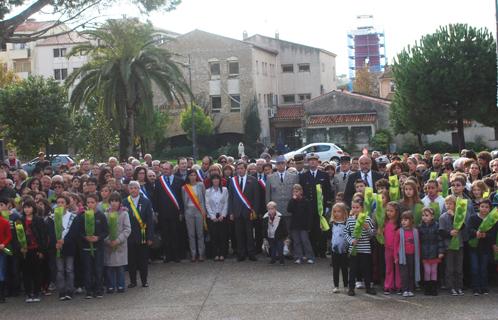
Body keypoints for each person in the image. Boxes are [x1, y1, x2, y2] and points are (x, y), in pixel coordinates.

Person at [298, 153, 331, 258]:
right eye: (310, 160)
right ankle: (313, 251)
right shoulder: (303, 176)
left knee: (321, 230)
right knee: (311, 230)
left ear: (318, 162)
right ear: (308, 162)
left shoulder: (324, 175)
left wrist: (326, 206)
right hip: (308, 208)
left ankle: (322, 251)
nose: (312, 162)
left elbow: (327, 192)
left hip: (320, 208)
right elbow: (302, 193)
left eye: (314, 160)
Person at [77, 193, 108, 299]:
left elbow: (105, 231)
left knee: (98, 268)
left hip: (98, 247)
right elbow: (79, 232)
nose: (90, 204)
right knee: (88, 269)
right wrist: (85, 237)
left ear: (96, 203)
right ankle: (89, 290)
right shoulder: (82, 216)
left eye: (92, 202)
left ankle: (99, 289)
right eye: (88, 202)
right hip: (86, 248)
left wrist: (98, 238)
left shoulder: (101, 215)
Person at [228, 162, 260, 262]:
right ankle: (241, 254)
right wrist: (231, 212)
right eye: (238, 169)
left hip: (249, 212)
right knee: (239, 234)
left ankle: (251, 253)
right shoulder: (233, 181)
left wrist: (255, 211)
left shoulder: (253, 180)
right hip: (237, 212)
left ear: (246, 169)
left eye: (241, 168)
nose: (239, 170)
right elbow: (230, 197)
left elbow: (256, 197)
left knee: (250, 234)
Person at [124, 181, 154, 288]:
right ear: (128, 189)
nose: (133, 190)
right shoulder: (125, 202)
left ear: (139, 189)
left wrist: (150, 236)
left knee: (143, 260)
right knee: (131, 260)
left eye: (135, 188)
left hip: (143, 235)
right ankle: (133, 281)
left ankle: (144, 280)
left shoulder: (146, 202)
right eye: (131, 188)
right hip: (130, 236)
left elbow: (150, 221)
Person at [344, 197, 376, 296]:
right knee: (353, 269)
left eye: (357, 207)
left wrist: (367, 228)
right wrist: (351, 241)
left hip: (365, 249)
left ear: (362, 208)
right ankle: (351, 288)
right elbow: (346, 233)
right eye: (353, 207)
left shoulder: (367, 219)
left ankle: (368, 287)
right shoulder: (349, 220)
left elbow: (372, 234)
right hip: (354, 249)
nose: (355, 209)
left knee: (366, 269)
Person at [153, 162, 183, 263]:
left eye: (167, 169)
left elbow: (182, 198)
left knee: (175, 234)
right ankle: (168, 255)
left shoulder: (179, 180)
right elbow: (155, 197)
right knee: (166, 235)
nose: (165, 171)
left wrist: (181, 212)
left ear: (171, 169)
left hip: (175, 213)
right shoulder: (158, 181)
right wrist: (156, 212)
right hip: (163, 213)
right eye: (163, 169)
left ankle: (176, 255)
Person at [19, 199, 47, 303]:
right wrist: (20, 247)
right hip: (25, 250)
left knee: (37, 272)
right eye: (25, 207)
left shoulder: (38, 220)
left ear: (33, 208)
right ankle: (28, 293)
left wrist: (41, 250)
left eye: (29, 207)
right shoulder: (20, 220)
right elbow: (17, 236)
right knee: (26, 272)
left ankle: (36, 292)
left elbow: (43, 236)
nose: (27, 209)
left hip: (36, 249)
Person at [468, 199, 496, 295]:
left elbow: (493, 234)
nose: (484, 209)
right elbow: (469, 229)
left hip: (485, 248)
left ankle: (484, 287)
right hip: (474, 247)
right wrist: (476, 233)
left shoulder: (492, 220)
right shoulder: (473, 218)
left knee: (483, 268)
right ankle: (475, 287)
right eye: (482, 206)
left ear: (489, 209)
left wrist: (486, 235)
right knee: (475, 268)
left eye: (487, 207)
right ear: (479, 207)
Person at [104, 192, 131, 294]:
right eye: (112, 201)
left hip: (120, 244)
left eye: (116, 201)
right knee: (109, 267)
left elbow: (127, 229)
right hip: (109, 244)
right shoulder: (105, 214)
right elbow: (103, 230)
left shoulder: (124, 214)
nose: (114, 203)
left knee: (120, 267)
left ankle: (121, 285)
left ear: (120, 202)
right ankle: (110, 286)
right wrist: (108, 240)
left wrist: (118, 240)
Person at [265, 155, 299, 237]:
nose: (280, 165)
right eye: (279, 163)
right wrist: (269, 209)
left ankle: (289, 248)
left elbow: (296, 194)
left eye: (282, 163)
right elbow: (268, 195)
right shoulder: (270, 177)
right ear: (276, 165)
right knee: (276, 232)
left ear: (286, 164)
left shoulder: (294, 177)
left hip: (289, 209)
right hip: (275, 210)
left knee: (289, 232)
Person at [439, 195, 465, 296]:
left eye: (451, 204)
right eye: (447, 204)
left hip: (459, 245)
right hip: (448, 246)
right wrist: (449, 233)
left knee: (459, 267)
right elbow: (441, 232)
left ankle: (459, 286)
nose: (449, 206)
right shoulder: (442, 217)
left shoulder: (459, 216)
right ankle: (451, 287)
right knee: (450, 268)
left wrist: (455, 216)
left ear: (455, 205)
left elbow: (463, 226)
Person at [54, 195, 78, 301]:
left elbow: (74, 232)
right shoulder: (52, 217)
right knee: (59, 270)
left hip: (69, 246)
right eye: (58, 202)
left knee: (69, 269)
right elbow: (50, 232)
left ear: (67, 205)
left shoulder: (72, 217)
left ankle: (70, 290)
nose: (60, 204)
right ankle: (61, 291)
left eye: (62, 202)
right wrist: (57, 242)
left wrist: (64, 240)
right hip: (57, 246)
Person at [181, 170, 207, 262]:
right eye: (191, 175)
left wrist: (204, 211)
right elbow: (184, 202)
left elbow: (204, 198)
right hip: (189, 212)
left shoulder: (201, 185)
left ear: (196, 176)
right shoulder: (184, 188)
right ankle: (193, 254)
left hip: (199, 211)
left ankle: (201, 254)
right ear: (188, 176)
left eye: (194, 175)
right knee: (191, 234)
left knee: (200, 233)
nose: (193, 177)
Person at [419, 207, 444, 296]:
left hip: (435, 252)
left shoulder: (437, 226)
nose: (424, 217)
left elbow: (440, 240)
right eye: (423, 215)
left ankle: (433, 288)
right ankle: (427, 288)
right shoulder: (420, 227)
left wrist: (441, 251)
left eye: (427, 215)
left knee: (434, 270)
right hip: (424, 252)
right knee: (427, 271)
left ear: (432, 216)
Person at [395, 211, 420, 298]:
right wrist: (396, 257)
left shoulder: (415, 231)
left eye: (406, 220)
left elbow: (418, 245)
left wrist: (418, 256)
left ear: (411, 221)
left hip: (412, 256)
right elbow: (396, 245)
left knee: (411, 273)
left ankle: (410, 289)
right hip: (403, 256)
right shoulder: (399, 232)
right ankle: (405, 290)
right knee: (404, 274)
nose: (403, 222)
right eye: (402, 220)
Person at [287, 184, 314, 264]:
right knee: (296, 241)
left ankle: (310, 256)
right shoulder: (292, 201)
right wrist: (293, 200)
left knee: (305, 241)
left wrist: (309, 225)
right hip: (295, 224)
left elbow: (309, 214)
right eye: (294, 191)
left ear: (301, 191)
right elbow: (289, 209)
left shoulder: (306, 201)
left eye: (297, 191)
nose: (296, 193)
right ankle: (298, 256)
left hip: (304, 225)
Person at [205, 174, 228, 261]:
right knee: (214, 236)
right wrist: (212, 216)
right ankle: (215, 254)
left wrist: (223, 215)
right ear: (211, 181)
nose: (215, 181)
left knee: (222, 236)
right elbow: (207, 205)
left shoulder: (225, 190)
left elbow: (226, 203)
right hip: (212, 217)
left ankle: (222, 253)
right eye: (214, 179)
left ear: (220, 180)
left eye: (217, 179)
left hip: (222, 216)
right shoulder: (208, 191)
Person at [330, 203, 349, 293]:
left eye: (339, 211)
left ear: (344, 213)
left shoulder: (347, 223)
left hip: (344, 250)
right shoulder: (332, 223)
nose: (336, 213)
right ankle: (336, 285)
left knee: (344, 268)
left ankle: (346, 285)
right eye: (334, 211)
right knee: (335, 268)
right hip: (334, 250)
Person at [384, 201, 401, 294]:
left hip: (397, 250)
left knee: (398, 268)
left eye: (391, 211)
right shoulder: (386, 222)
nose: (389, 213)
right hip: (388, 249)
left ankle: (399, 285)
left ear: (396, 212)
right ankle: (388, 286)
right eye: (387, 211)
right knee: (389, 268)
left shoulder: (399, 224)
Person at [0, 202, 12, 303]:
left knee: (1, 271)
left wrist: (3, 244)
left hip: (2, 250)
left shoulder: (4, 222)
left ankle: (1, 295)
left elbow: (9, 236)